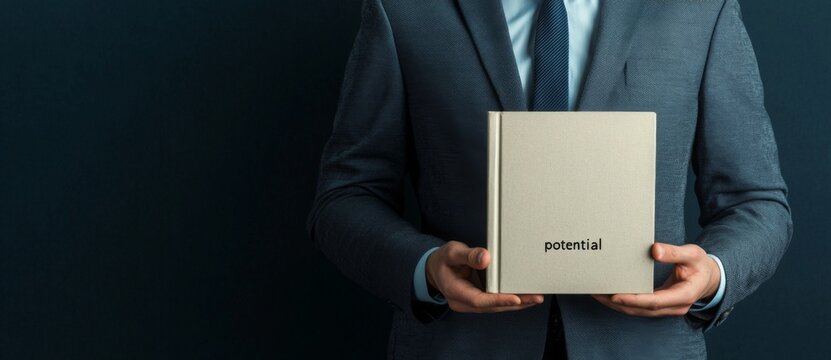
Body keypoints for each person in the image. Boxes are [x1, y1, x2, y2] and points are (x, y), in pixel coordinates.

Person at [306, 0, 793, 358]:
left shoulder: (700, 10)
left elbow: (756, 201)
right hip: (460, 344)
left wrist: (714, 275)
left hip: (643, 345)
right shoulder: (405, 10)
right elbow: (346, 196)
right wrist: (425, 268)